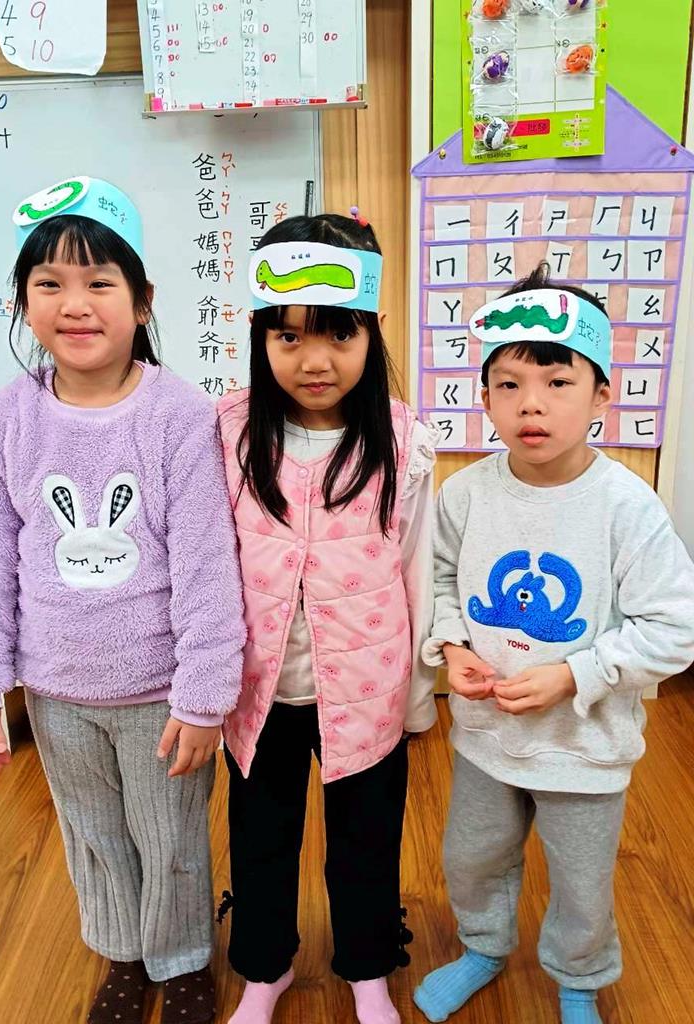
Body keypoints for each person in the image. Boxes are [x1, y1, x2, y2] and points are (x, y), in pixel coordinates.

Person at [0, 175, 246, 1024]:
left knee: (170, 835)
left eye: (99, 282)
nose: (75, 304)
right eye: (50, 284)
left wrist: (204, 696)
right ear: (23, 303)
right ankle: (122, 953)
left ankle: (182, 961)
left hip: (160, 693)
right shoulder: (3, 420)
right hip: (56, 689)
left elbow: (207, 566)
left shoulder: (180, 415)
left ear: (142, 302)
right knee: (93, 834)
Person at [414, 263, 694, 1024]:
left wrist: (576, 673)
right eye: (508, 384)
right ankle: (482, 948)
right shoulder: (465, 493)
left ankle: (579, 979)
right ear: (485, 398)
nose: (530, 403)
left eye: (558, 382)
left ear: (603, 394)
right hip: (485, 738)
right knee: (472, 857)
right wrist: (453, 646)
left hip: (585, 748)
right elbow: (438, 582)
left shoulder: (626, 506)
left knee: (580, 880)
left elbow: (675, 628)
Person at [217, 211, 438, 1024]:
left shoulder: (404, 440)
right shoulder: (230, 431)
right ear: (261, 337)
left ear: (371, 331)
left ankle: (369, 969)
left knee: (367, 838)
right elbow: (209, 563)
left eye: (339, 334)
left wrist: (419, 696)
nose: (314, 360)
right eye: (289, 336)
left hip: (368, 685)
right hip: (259, 688)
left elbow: (418, 566)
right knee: (260, 837)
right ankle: (264, 968)